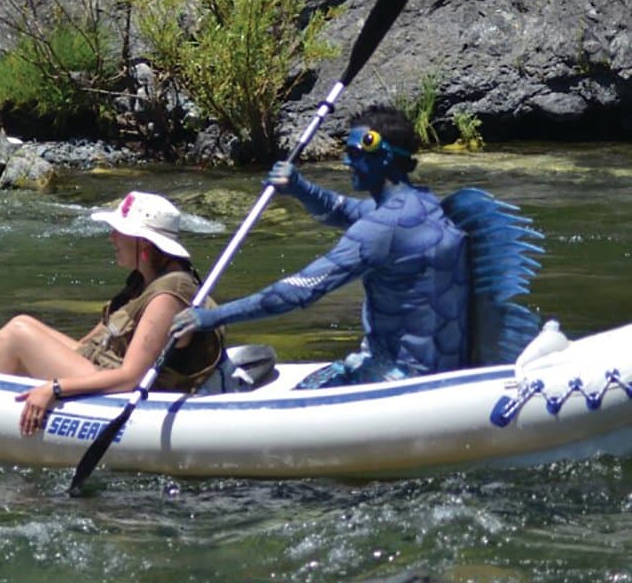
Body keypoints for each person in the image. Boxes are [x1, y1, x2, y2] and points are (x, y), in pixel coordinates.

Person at [168, 105, 469, 388]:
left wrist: (212, 317)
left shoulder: (381, 229)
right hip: (443, 368)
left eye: (354, 152)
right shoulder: (425, 206)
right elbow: (343, 211)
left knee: (298, 399)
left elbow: (299, 291)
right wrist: (301, 187)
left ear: (385, 157)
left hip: (395, 376)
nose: (346, 161)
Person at [0, 190, 225, 436]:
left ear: (143, 244)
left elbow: (131, 377)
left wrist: (55, 387)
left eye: (119, 232)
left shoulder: (168, 295)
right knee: (23, 322)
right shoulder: (143, 281)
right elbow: (89, 343)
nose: (112, 237)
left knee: (19, 335)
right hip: (99, 366)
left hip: (123, 390)